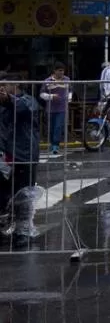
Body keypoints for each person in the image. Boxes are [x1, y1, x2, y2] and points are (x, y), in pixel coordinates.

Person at [0, 74, 40, 247]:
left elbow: (22, 108)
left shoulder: (28, 101)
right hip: (4, 157)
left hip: (24, 156)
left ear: (15, 84)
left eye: (4, 85)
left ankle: (22, 231)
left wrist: (8, 99)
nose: (1, 88)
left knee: (24, 196)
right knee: (3, 195)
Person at [40, 62, 71, 156]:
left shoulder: (67, 79)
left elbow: (70, 90)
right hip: (50, 109)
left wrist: (69, 98)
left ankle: (55, 146)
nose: (62, 72)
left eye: (63, 70)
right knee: (51, 128)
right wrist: (52, 96)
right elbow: (41, 94)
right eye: (59, 70)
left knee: (58, 127)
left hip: (62, 108)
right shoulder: (47, 80)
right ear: (55, 70)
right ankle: (51, 144)